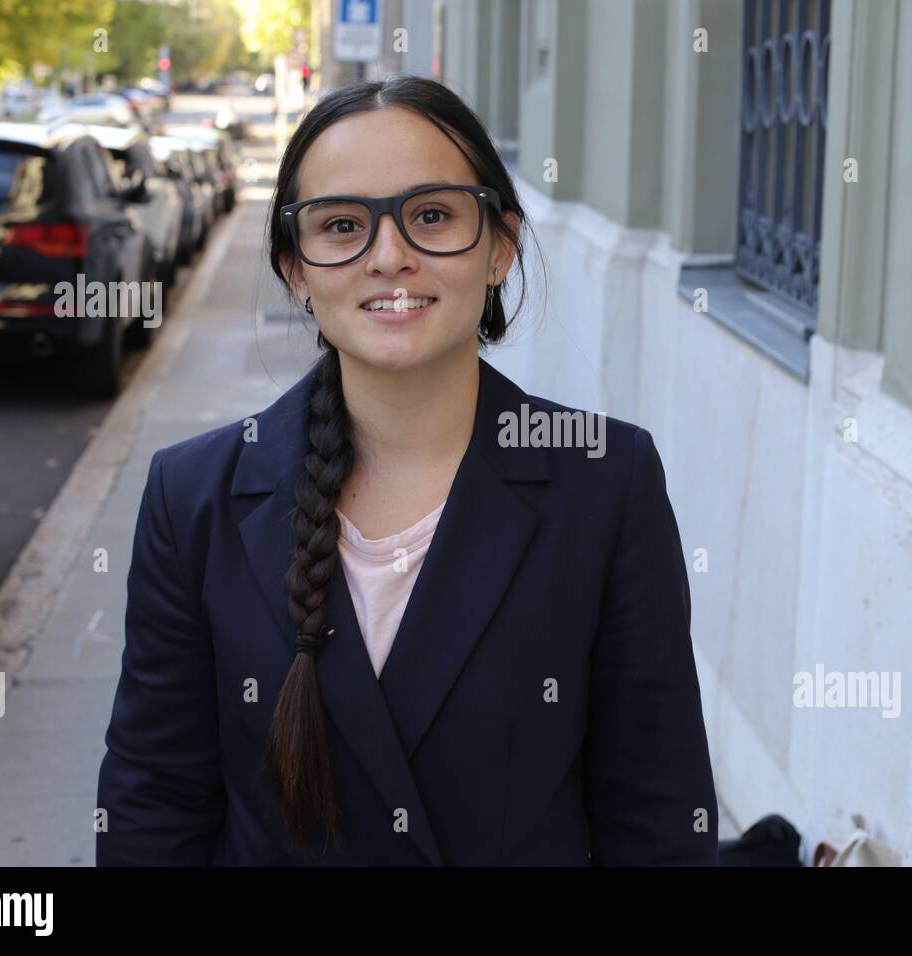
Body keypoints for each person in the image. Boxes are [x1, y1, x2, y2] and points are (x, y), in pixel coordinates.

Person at [95, 74, 719, 866]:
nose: (389, 256)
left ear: (500, 245)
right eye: (342, 224)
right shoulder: (194, 497)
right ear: (296, 268)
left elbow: (656, 812)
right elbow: (154, 804)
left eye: (431, 216)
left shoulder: (605, 484)